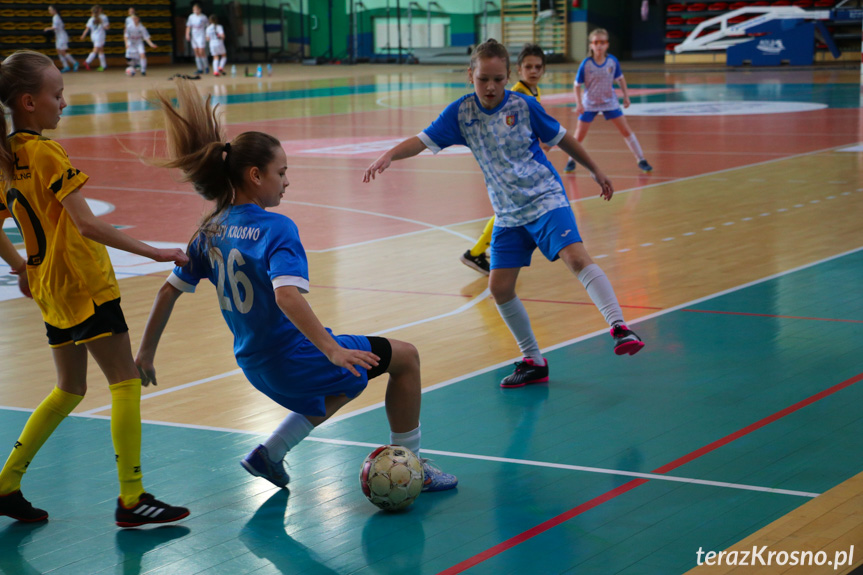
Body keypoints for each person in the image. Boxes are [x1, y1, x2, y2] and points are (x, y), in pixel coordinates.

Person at [134, 79, 458, 494]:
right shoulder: (277, 228)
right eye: (281, 172)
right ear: (255, 175)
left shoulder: (209, 230)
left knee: (351, 376)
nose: (286, 181)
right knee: (405, 358)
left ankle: (269, 453)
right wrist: (331, 348)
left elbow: (167, 292)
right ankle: (413, 466)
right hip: (292, 357)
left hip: (253, 364)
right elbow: (286, 296)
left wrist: (145, 353)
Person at [363, 39, 645, 388]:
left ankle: (619, 327)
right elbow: (422, 140)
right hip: (508, 213)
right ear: (471, 75)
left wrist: (595, 170)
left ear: (507, 75)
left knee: (575, 257)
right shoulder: (461, 113)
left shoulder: (524, 105)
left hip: (544, 199)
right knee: (500, 288)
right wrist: (389, 155)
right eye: (484, 79)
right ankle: (534, 360)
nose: (491, 86)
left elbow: (563, 138)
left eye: (498, 78)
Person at [0, 50, 190, 527]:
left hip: (49, 287)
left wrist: (21, 266)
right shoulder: (44, 153)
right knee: (124, 383)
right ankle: (132, 498)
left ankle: (5, 483)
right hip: (84, 285)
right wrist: (155, 253)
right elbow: (86, 225)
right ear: (28, 102)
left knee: (69, 388)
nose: (63, 103)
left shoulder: (6, 157)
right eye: (56, 94)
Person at [460, 43, 547, 276]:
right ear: (517, 70)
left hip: (519, 163)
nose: (533, 71)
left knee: (508, 209)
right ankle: (480, 252)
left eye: (538, 67)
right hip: (507, 162)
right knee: (507, 211)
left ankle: (480, 251)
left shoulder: (532, 91)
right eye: (528, 66)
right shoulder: (517, 93)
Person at [564, 28, 653, 174]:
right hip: (590, 102)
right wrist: (579, 103)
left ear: (607, 45)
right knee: (579, 134)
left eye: (602, 42)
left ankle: (641, 159)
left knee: (625, 130)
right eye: (596, 42)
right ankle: (571, 160)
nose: (599, 45)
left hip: (609, 101)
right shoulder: (586, 64)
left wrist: (626, 95)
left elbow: (620, 79)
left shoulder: (612, 61)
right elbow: (576, 85)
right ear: (591, 45)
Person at [44, 6, 78, 73]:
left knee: (62, 52)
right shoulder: (55, 17)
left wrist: (47, 28)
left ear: (55, 10)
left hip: (62, 37)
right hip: (59, 37)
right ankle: (66, 66)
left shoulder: (56, 17)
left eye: (50, 10)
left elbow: (55, 27)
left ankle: (75, 63)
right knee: (59, 51)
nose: (49, 11)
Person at [80, 5, 110, 72]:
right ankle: (87, 61)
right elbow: (107, 27)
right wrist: (103, 24)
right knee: (96, 50)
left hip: (93, 36)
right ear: (100, 10)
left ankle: (103, 66)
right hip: (100, 36)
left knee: (101, 50)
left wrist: (83, 35)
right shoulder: (103, 17)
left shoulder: (91, 19)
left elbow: (87, 29)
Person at [186, 2, 209, 74]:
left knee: (201, 51)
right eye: (194, 10)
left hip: (201, 35)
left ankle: (206, 66)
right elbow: (188, 26)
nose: (195, 11)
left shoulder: (203, 17)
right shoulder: (191, 17)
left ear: (200, 9)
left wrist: (207, 35)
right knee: (196, 52)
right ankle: (200, 68)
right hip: (194, 36)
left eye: (196, 9)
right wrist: (187, 34)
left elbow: (208, 27)